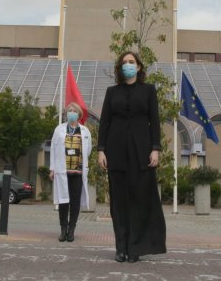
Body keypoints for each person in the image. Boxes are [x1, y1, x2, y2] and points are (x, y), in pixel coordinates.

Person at [97, 51, 166, 263]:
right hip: (115, 151)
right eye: (124, 62)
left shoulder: (148, 91)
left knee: (139, 200)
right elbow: (105, 122)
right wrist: (101, 149)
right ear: (120, 68)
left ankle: (135, 247)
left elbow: (154, 121)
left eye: (131, 62)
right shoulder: (111, 92)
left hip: (141, 153)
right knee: (119, 203)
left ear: (138, 67)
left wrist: (155, 148)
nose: (128, 65)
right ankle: (121, 248)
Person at [49, 102, 92, 242]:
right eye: (69, 110)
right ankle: (63, 230)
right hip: (62, 172)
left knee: (75, 202)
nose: (71, 112)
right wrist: (52, 169)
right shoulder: (59, 130)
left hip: (78, 172)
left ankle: (71, 230)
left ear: (79, 114)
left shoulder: (85, 131)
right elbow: (53, 151)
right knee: (63, 201)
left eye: (74, 110)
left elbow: (88, 150)